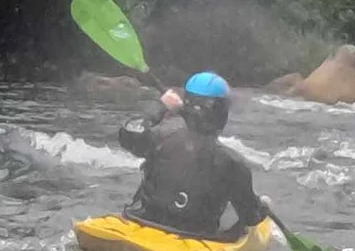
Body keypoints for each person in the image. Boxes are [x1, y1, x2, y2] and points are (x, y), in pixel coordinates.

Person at [117, 72, 273, 241]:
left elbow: (128, 134)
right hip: (194, 238)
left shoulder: (159, 137)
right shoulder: (233, 163)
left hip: (143, 222)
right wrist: (263, 207)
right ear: (221, 114)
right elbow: (250, 217)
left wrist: (160, 107)